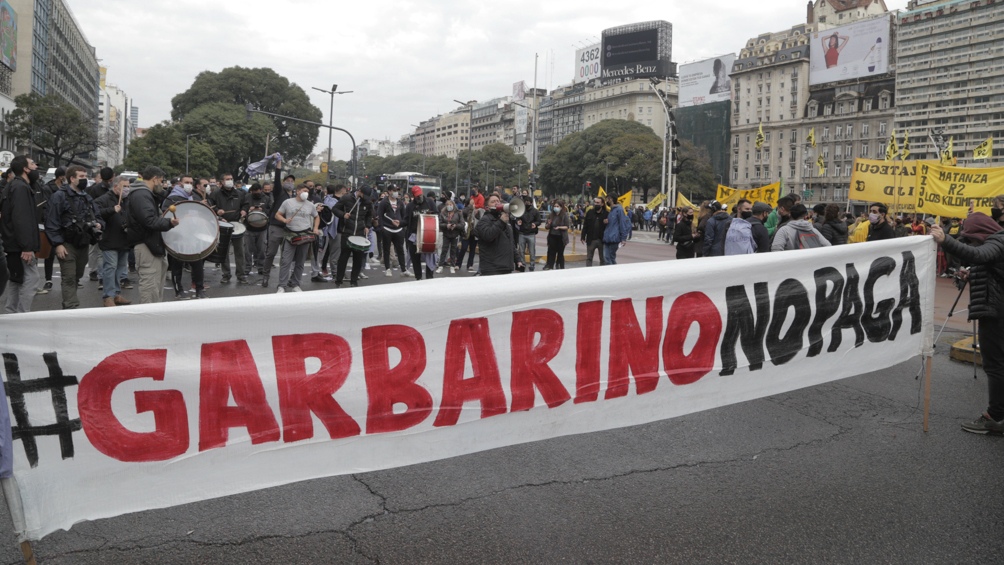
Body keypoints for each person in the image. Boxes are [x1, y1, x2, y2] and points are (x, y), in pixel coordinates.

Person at [931, 214, 1004, 434]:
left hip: (996, 312)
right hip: (996, 308)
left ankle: (996, 417)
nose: (970, 243)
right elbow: (991, 267)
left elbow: (979, 254)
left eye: (971, 238)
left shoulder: (998, 240)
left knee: (995, 365)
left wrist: (946, 240)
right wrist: (972, 274)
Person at [45, 165, 102, 309]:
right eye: (81, 177)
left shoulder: (86, 197)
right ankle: (70, 307)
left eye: (85, 176)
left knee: (77, 275)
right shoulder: (59, 196)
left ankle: (70, 304)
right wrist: (58, 244)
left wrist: (99, 224)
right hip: (67, 243)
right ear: (72, 178)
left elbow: (98, 215)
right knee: (69, 277)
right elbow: (51, 221)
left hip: (83, 242)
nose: (85, 179)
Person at [126, 166, 178, 304]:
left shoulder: (144, 194)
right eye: (161, 181)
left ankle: (154, 319)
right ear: (154, 179)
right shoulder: (141, 195)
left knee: (155, 289)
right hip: (146, 245)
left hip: (152, 244)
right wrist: (169, 223)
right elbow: (148, 220)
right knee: (150, 288)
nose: (162, 185)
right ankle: (147, 321)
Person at [1, 155, 38, 313]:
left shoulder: (13, 186)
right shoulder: (21, 187)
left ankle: (11, 314)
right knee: (31, 279)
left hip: (13, 243)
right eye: (32, 164)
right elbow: (21, 218)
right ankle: (23, 316)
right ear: (25, 168)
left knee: (17, 279)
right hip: (20, 245)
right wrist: (27, 247)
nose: (35, 166)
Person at [162, 175, 206, 300]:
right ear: (180, 184)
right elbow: (165, 214)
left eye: (191, 182)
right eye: (186, 182)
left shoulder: (191, 197)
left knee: (197, 262)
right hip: (177, 235)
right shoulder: (172, 198)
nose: (189, 184)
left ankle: (199, 289)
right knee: (177, 264)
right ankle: (179, 290)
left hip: (192, 235)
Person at [94, 176, 134, 306]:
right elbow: (96, 213)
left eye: (128, 186)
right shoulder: (104, 199)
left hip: (124, 240)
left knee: (120, 269)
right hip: (109, 239)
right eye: (124, 186)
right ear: (116, 186)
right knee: (110, 268)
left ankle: (116, 293)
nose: (127, 189)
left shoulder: (127, 200)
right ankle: (108, 296)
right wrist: (112, 210)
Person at [274, 184, 320, 293]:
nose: (306, 193)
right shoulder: (287, 202)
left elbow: (316, 216)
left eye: (307, 191)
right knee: (286, 261)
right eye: (304, 190)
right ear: (298, 191)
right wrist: (284, 220)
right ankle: (282, 285)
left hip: (305, 235)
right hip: (291, 235)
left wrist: (316, 228)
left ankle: (295, 283)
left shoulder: (310, 205)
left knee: (300, 261)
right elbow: (277, 215)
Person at [208, 173, 248, 284]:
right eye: (227, 179)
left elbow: (245, 204)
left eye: (231, 179)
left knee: (240, 251)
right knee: (224, 252)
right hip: (223, 225)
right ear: (222, 182)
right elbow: (211, 206)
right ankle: (226, 274)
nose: (230, 181)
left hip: (237, 225)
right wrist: (217, 212)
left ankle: (241, 275)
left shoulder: (240, 194)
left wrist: (244, 210)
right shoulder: (215, 194)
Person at [332, 185, 374, 288]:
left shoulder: (367, 202)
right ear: (359, 191)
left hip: (360, 232)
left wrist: (367, 226)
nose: (365, 198)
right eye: (363, 195)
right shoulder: (347, 198)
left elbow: (369, 215)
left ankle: (354, 280)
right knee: (343, 257)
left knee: (358, 258)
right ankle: (339, 280)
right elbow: (335, 209)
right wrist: (343, 215)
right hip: (347, 231)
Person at [473, 193, 522, 276]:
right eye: (493, 202)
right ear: (487, 207)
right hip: (492, 268)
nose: (496, 203)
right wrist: (501, 222)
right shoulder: (484, 221)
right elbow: (488, 236)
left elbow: (510, 243)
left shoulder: (504, 221)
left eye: (498, 201)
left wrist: (517, 259)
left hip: (506, 267)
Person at [261, 170, 292, 288]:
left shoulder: (293, 196)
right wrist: (278, 166)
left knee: (286, 257)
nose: (290, 183)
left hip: (288, 229)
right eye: (287, 181)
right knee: (271, 253)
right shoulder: (280, 192)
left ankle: (283, 280)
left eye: (291, 181)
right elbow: (278, 179)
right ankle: (265, 276)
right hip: (276, 227)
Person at [405, 185, 438, 280]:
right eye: (417, 195)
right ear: (413, 196)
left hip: (428, 234)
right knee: (415, 258)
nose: (419, 197)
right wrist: (399, 223)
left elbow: (437, 214)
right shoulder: (410, 206)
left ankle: (429, 277)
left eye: (420, 194)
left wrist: (431, 215)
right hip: (414, 235)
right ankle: (418, 278)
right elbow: (406, 220)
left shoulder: (430, 202)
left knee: (429, 256)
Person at [376, 184, 409, 277]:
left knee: (400, 250)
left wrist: (401, 224)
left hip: (398, 230)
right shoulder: (384, 202)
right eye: (394, 190)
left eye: (397, 190)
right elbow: (380, 215)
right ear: (389, 191)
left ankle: (403, 269)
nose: (396, 192)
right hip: (387, 229)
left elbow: (404, 216)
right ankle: (387, 269)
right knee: (386, 250)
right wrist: (382, 228)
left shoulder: (400, 202)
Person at [242, 182, 272, 278]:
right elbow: (243, 208)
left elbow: (271, 210)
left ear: (261, 190)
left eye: (258, 191)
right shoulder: (247, 197)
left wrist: (262, 210)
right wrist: (248, 210)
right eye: (254, 192)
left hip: (262, 227)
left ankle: (261, 267)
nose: (256, 193)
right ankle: (247, 268)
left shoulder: (266, 198)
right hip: (249, 227)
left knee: (262, 249)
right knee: (247, 250)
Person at [512, 196, 539, 271]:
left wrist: (535, 224)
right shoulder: (521, 211)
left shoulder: (535, 211)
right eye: (525, 202)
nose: (526, 203)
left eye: (528, 202)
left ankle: (532, 264)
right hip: (522, 233)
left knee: (532, 250)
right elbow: (517, 217)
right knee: (521, 250)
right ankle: (523, 263)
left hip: (531, 234)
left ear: (531, 203)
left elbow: (539, 220)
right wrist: (518, 221)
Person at [602, 196, 631, 265]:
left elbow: (622, 224)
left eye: (607, 200)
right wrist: (605, 222)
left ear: (611, 199)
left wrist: (623, 238)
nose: (606, 202)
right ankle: (613, 272)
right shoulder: (611, 211)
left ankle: (613, 273)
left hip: (614, 238)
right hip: (607, 237)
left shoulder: (619, 210)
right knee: (608, 257)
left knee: (608, 257)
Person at [437, 198, 463, 274]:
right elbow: (440, 223)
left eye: (450, 204)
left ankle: (452, 266)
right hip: (446, 233)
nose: (449, 206)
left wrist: (455, 226)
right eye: (448, 204)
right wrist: (446, 225)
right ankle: (440, 266)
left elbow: (462, 224)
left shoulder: (458, 213)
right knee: (444, 250)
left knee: (453, 250)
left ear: (453, 205)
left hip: (455, 234)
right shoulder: (443, 213)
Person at [581, 197, 608, 266]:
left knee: (603, 259)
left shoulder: (606, 214)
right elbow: (585, 225)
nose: (596, 204)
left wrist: (607, 222)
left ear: (602, 204)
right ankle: (588, 272)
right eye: (595, 202)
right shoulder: (590, 212)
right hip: (591, 239)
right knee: (589, 258)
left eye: (598, 203)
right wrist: (583, 236)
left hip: (602, 240)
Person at [544, 199, 570, 270]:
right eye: (555, 206)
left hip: (561, 237)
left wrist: (559, 227)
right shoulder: (551, 215)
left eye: (557, 206)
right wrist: (548, 224)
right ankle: (550, 266)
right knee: (551, 252)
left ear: (561, 207)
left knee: (560, 253)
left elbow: (567, 226)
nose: (556, 207)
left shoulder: (564, 215)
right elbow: (546, 227)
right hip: (552, 236)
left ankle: (560, 266)